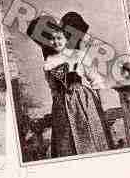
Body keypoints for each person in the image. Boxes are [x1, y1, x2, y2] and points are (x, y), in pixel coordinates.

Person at [26, 13, 114, 158]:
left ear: (66, 37)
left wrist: (102, 105)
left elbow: (95, 79)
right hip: (61, 107)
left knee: (90, 135)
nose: (55, 42)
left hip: (84, 102)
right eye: (50, 39)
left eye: (59, 38)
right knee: (66, 142)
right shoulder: (49, 63)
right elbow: (53, 88)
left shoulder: (78, 55)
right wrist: (57, 105)